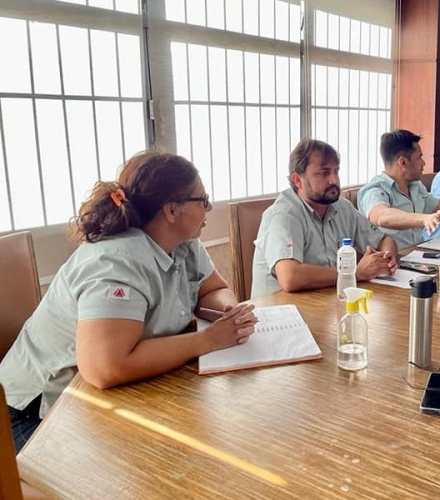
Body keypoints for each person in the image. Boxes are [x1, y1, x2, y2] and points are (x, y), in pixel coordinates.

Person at [0, 152, 258, 453]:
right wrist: (209, 340)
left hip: (108, 398)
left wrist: (227, 312)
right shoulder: (115, 262)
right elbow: (106, 367)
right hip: (36, 414)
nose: (209, 207)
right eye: (203, 199)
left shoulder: (185, 244)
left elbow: (214, 289)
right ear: (172, 210)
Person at [251, 138, 398, 297]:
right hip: (282, 308)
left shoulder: (342, 207)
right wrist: (354, 273)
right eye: (323, 173)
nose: (333, 180)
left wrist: (386, 258)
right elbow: (290, 277)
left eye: (336, 171)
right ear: (297, 180)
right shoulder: (284, 215)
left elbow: (384, 239)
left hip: (327, 301)